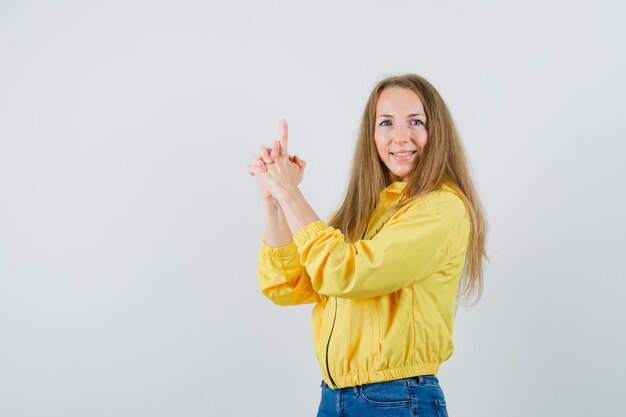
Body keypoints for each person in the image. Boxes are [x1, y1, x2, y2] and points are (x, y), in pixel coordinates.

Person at [246, 74, 488, 417]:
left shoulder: (440, 207)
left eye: (416, 122)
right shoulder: (366, 210)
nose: (400, 137)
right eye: (386, 122)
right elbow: (287, 285)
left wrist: (290, 193)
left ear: (438, 132)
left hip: (395, 398)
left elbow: (346, 273)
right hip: (334, 397)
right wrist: (273, 200)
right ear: (371, 135)